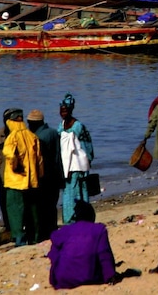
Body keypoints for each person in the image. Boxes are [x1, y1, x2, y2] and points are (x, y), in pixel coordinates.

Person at [47, 201, 117, 289]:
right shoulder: (99, 230)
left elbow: (53, 255)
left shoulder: (64, 231)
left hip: (63, 280)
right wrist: (110, 276)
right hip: (89, 277)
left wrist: (54, 277)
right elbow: (104, 255)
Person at [3, 108, 43, 246]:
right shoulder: (32, 136)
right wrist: (39, 176)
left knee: (16, 211)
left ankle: (20, 239)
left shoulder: (12, 137)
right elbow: (39, 160)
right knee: (32, 211)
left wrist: (15, 166)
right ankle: (35, 237)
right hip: (32, 181)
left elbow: (9, 154)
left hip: (16, 181)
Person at [58, 94, 94, 225]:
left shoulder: (78, 126)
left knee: (78, 191)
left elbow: (87, 146)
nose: (63, 113)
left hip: (78, 166)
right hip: (66, 167)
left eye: (65, 110)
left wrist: (88, 161)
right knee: (68, 193)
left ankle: (81, 218)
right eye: (61, 110)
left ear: (70, 110)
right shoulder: (61, 126)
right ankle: (69, 219)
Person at [28, 109, 63, 241]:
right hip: (55, 174)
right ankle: (52, 229)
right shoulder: (53, 132)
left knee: (43, 206)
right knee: (51, 206)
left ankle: (44, 233)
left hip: (44, 177)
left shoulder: (39, 137)